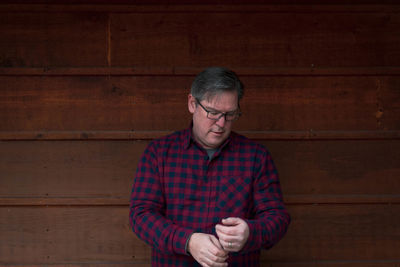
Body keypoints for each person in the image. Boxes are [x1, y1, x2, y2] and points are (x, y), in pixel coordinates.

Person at [129, 67, 290, 267]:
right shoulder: (159, 153)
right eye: (213, 113)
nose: (221, 123)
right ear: (192, 103)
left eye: (230, 114)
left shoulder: (255, 156)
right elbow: (141, 215)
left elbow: (277, 217)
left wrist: (251, 232)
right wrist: (188, 241)